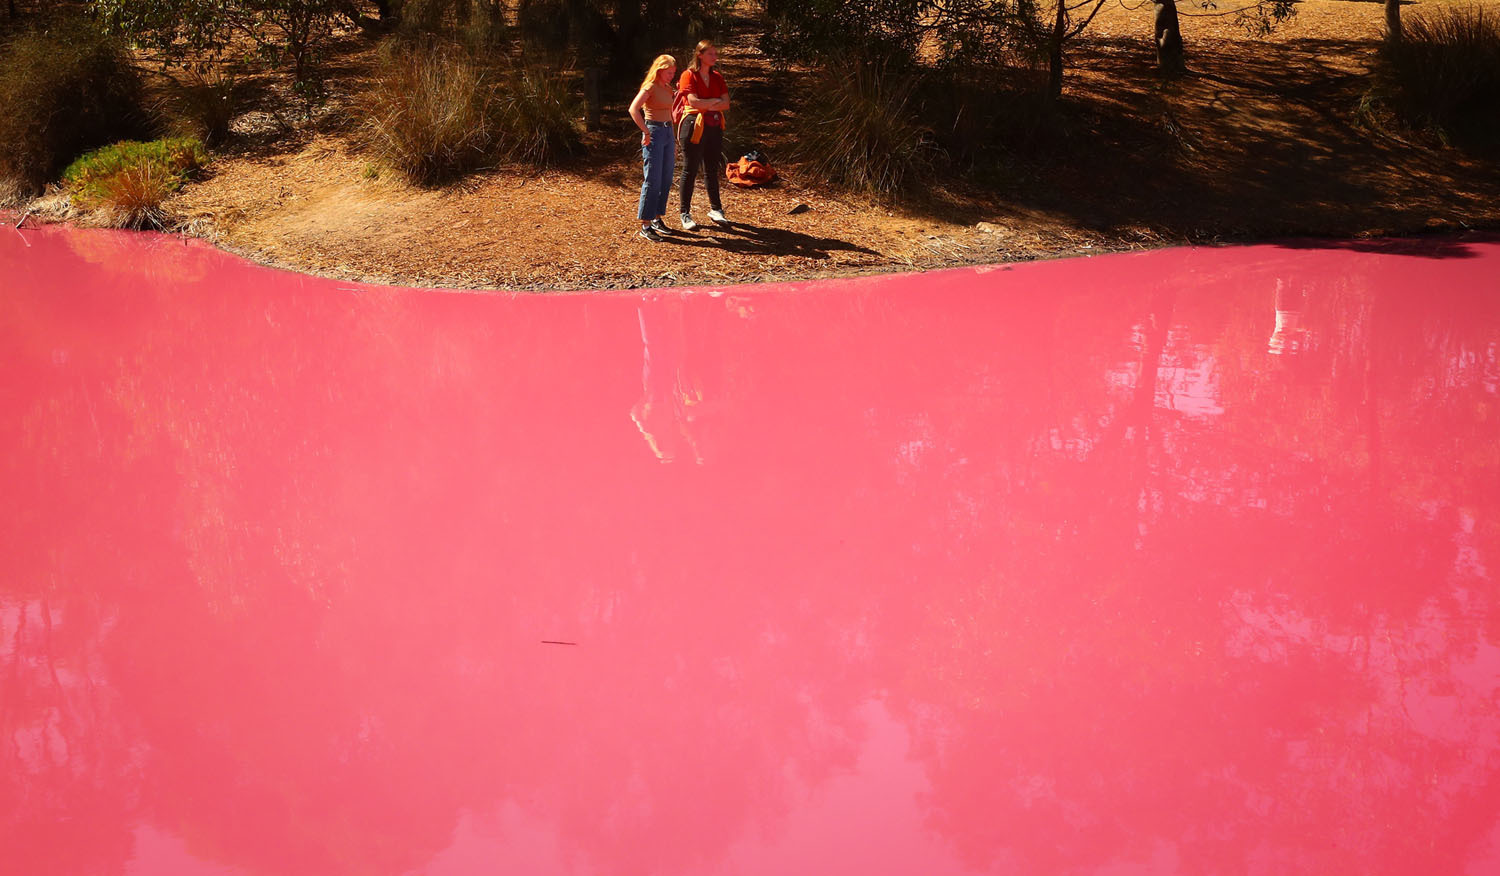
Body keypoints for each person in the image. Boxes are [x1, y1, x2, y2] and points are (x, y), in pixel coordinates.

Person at [675, 40, 730, 231]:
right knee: (690, 169)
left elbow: (726, 103)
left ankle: (716, 209)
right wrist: (714, 102)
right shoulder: (688, 75)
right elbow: (693, 102)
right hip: (693, 125)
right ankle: (685, 213)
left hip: (714, 125)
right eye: (711, 54)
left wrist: (707, 103)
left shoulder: (717, 77)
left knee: (712, 169)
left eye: (716, 54)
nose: (715, 57)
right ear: (700, 55)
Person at [629, 54, 679, 242]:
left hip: (667, 132)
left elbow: (670, 113)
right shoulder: (649, 87)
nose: (671, 76)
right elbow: (634, 109)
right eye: (668, 73)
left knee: (666, 178)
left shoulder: (667, 88)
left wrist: (673, 141)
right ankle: (646, 223)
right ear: (659, 70)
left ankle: (658, 217)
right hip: (654, 132)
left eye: (673, 73)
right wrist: (645, 131)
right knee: (653, 179)